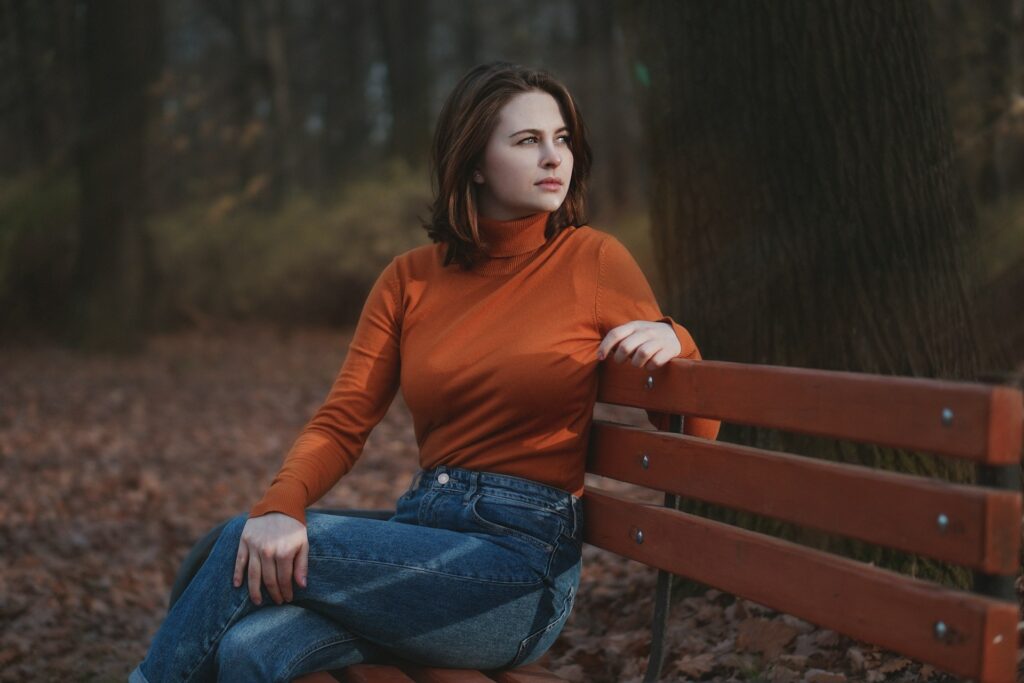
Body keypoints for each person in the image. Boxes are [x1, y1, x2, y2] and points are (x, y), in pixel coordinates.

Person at [129, 61, 720, 682]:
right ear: (474, 162)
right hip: (422, 538)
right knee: (250, 648)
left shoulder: (593, 259)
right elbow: (342, 421)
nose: (554, 157)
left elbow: (694, 433)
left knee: (234, 545)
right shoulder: (409, 279)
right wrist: (284, 500)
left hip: (516, 575)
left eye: (562, 138)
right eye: (527, 141)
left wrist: (673, 339)